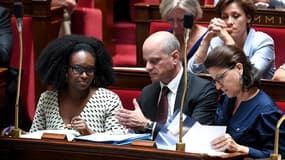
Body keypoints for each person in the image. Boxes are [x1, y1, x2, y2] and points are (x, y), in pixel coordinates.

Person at [115, 31, 218, 139]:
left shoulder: (202, 90)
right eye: (146, 61)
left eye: (154, 61)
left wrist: (148, 125)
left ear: (175, 57)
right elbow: (140, 135)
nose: (148, 67)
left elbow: (195, 135)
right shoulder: (147, 93)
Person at [29, 34, 127, 135]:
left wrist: (90, 134)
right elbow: (34, 138)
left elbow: (119, 140)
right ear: (65, 69)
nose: (84, 75)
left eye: (90, 70)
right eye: (78, 69)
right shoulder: (47, 99)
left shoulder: (108, 100)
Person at [204, 45, 285, 158]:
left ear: (239, 68)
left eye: (221, 78)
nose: (218, 86)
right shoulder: (226, 98)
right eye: (215, 81)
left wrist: (241, 149)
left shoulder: (266, 111)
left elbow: (278, 156)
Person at [188, 0, 275, 79]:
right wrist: (206, 40)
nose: (229, 22)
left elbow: (248, 76)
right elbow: (192, 72)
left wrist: (228, 40)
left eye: (236, 16)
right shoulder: (216, 41)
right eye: (225, 17)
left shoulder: (263, 41)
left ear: (248, 18)